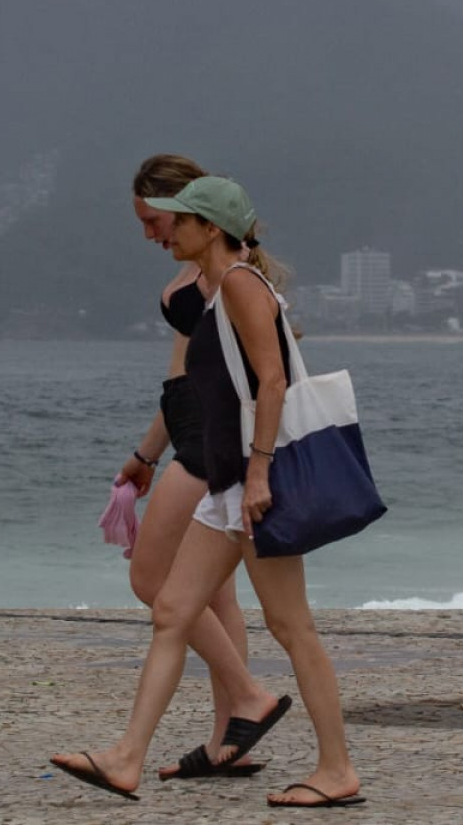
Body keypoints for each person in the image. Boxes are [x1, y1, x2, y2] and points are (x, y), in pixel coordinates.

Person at [53, 176, 363, 809]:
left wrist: (256, 475)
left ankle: (337, 769)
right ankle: (125, 759)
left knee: (290, 624)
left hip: (256, 486)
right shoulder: (214, 293)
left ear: (211, 228)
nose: (169, 233)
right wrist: (155, 455)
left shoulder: (245, 288)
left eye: (180, 221)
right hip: (226, 488)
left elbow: (273, 384)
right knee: (171, 609)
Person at [114, 154, 284, 781]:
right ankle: (224, 743)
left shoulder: (225, 277)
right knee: (216, 595)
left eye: (153, 218)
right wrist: (144, 452)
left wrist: (254, 457)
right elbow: (186, 373)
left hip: (209, 443)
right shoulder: (202, 271)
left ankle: (246, 696)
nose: (148, 233)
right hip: (187, 431)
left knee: (152, 581)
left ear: (194, 213)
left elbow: (259, 369)